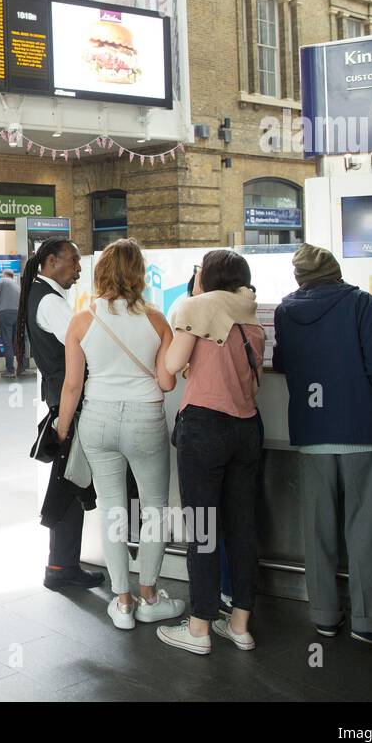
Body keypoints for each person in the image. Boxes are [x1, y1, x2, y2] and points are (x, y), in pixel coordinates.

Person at [273, 244, 372, 648]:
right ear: (335, 270)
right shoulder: (362, 303)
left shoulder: (284, 310)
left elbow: (284, 363)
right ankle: (369, 622)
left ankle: (325, 617)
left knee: (318, 530)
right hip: (362, 431)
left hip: (311, 432)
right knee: (365, 530)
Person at [55, 239, 184, 629]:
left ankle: (122, 603)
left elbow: (73, 386)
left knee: (112, 508)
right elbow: (164, 381)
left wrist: (61, 431)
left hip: (98, 419)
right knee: (154, 508)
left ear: (101, 272)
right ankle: (149, 596)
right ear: (138, 273)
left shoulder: (82, 320)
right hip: (145, 419)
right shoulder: (157, 320)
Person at [158, 250, 266, 656]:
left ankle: (200, 627)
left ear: (208, 275)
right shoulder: (251, 314)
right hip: (247, 427)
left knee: (203, 528)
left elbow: (171, 364)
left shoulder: (197, 307)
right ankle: (240, 625)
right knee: (242, 528)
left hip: (205, 426)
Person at [15, 236, 104, 592]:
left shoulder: (42, 294)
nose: (79, 270)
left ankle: (61, 563)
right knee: (69, 483)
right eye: (74, 262)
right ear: (52, 261)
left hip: (60, 399)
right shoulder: (50, 302)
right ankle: (60, 567)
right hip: (69, 403)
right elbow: (85, 343)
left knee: (68, 481)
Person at [0, 269, 22, 375]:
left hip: (5, 313)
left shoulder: (1, 281)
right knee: (16, 342)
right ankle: (21, 368)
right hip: (18, 314)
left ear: (4, 275)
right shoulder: (17, 285)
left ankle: (10, 369)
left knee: (7, 342)